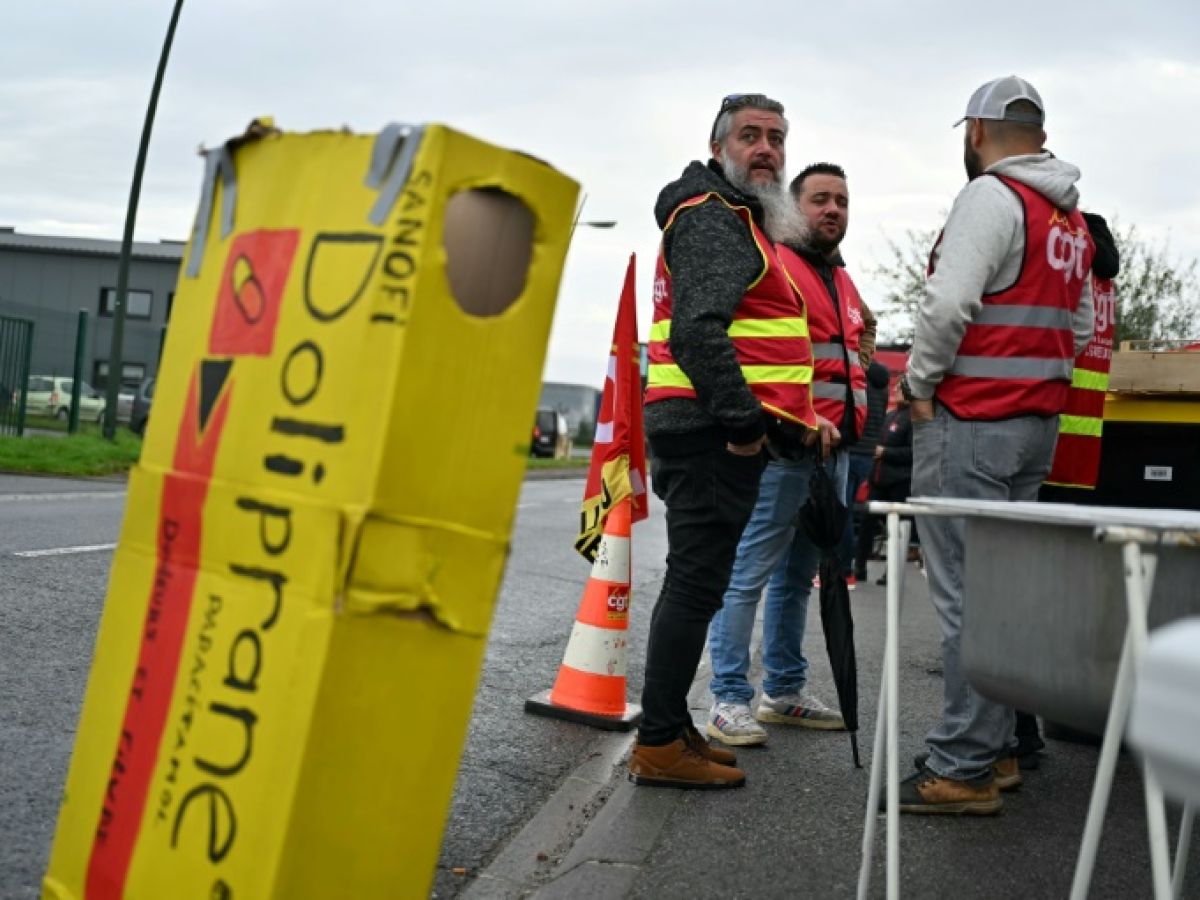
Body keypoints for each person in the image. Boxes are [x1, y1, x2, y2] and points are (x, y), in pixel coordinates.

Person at [896, 75, 1095, 814]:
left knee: (966, 603)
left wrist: (920, 386)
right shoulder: (1066, 216)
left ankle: (963, 769)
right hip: (1032, 426)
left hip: (970, 423)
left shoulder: (992, 196)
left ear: (975, 133)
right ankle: (1000, 748)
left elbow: (949, 301)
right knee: (1003, 599)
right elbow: (1077, 326)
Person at [631, 94, 834, 789]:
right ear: (719, 146)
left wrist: (796, 419)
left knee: (701, 583)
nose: (767, 149)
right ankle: (659, 742)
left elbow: (758, 345)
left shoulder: (739, 219)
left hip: (708, 431)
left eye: (777, 137)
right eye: (750, 136)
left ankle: (670, 729)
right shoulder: (717, 217)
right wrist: (747, 428)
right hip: (710, 435)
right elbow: (697, 333)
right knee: (695, 585)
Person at [706, 162, 869, 747]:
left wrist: (858, 379)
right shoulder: (778, 264)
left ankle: (784, 690)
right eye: (820, 199)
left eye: (842, 202)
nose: (832, 210)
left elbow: (860, 335)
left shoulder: (840, 280)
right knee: (748, 572)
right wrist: (800, 416)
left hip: (835, 454)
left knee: (799, 576)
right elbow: (753, 350)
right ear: (794, 209)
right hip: (786, 447)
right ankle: (727, 699)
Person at [866, 379, 914, 586]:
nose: (896, 390)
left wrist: (885, 452)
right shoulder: (890, 416)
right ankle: (858, 567)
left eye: (900, 388)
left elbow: (913, 453)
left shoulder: (913, 418)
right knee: (868, 523)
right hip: (879, 479)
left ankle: (892, 574)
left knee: (896, 530)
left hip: (899, 482)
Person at [847, 360, 891, 584]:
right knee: (863, 514)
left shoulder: (855, 376)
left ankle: (846, 566)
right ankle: (855, 566)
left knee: (843, 510)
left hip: (852, 448)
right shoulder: (883, 386)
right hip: (871, 454)